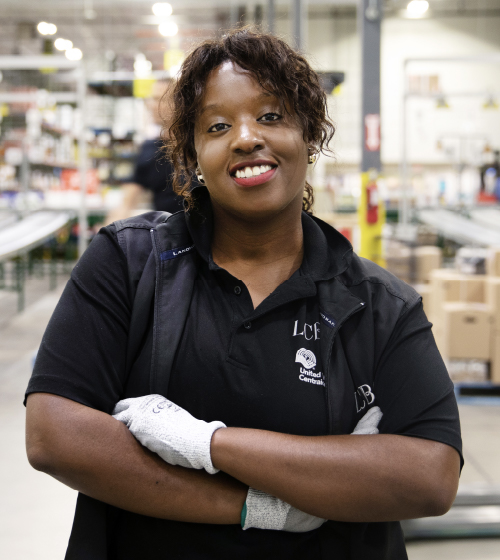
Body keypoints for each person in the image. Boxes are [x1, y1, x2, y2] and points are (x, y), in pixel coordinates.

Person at [25, 28, 462, 560]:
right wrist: (262, 504)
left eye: (271, 116)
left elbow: (431, 476)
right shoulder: (131, 263)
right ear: (193, 156)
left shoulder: (377, 303)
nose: (246, 137)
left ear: (310, 132)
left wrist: (206, 443)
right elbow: (54, 435)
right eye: (217, 126)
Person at [105, 79, 184, 223]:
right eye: (151, 99)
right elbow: (127, 201)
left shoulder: (199, 147)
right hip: (171, 238)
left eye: (158, 99)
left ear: (179, 104)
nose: (151, 105)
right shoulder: (150, 149)